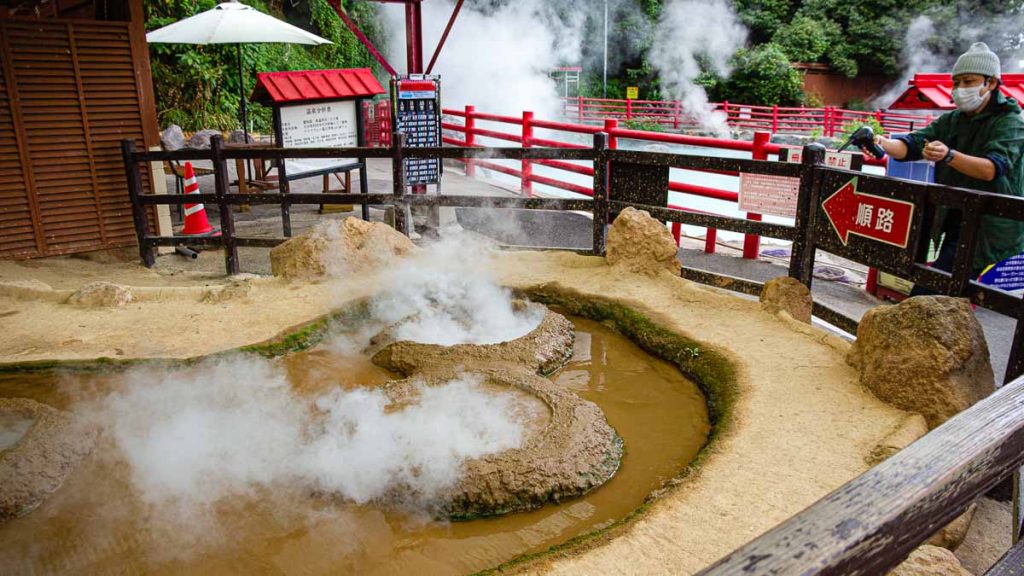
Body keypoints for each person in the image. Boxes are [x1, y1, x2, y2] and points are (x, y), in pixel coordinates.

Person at [872, 42, 1024, 285]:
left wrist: (948, 155)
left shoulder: (1010, 122)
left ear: (991, 83)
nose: (960, 89)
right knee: (944, 290)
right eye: (956, 82)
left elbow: (991, 169)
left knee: (934, 290)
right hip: (956, 216)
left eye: (968, 81)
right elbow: (911, 145)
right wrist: (879, 141)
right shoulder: (953, 120)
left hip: (989, 226)